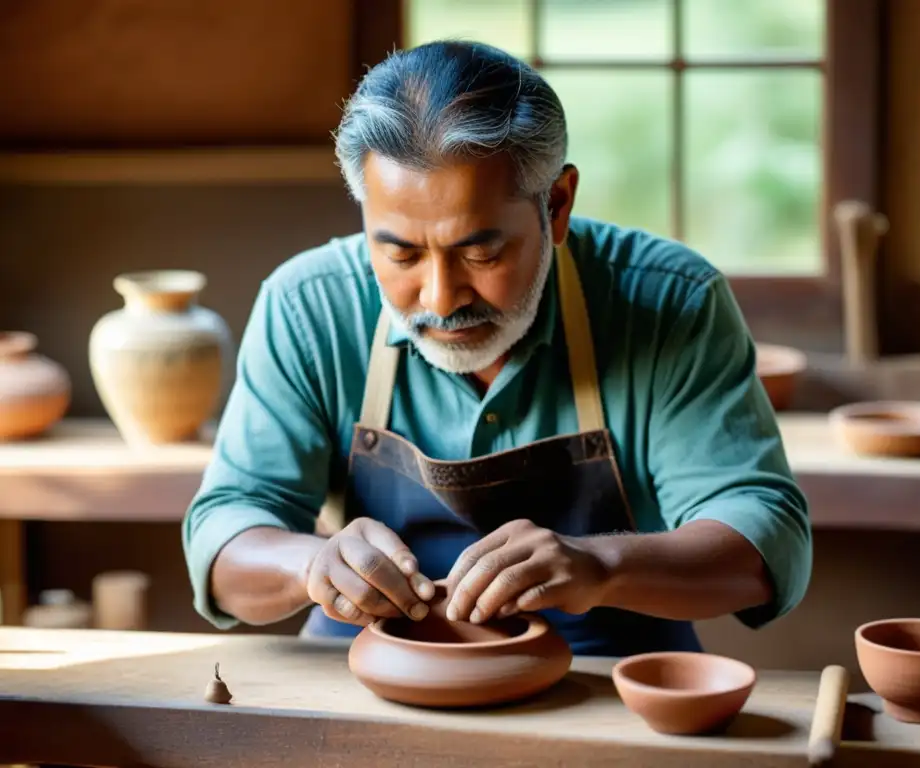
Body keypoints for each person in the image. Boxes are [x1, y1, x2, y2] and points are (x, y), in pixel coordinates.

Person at [181, 39, 812, 657]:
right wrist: (311, 563)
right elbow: (224, 538)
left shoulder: (670, 300)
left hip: (611, 668)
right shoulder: (309, 305)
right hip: (370, 663)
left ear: (557, 205)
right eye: (400, 253)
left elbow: (764, 538)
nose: (440, 297)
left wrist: (599, 565)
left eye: (480, 253)